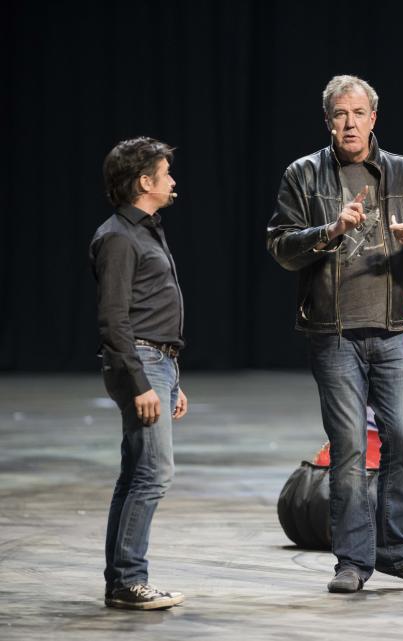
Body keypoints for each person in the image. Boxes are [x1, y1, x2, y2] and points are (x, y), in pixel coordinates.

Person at [267, 75, 403, 593]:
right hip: (335, 335)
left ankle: (397, 551)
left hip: (392, 332)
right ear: (329, 121)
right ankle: (352, 561)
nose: (349, 123)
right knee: (349, 447)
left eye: (358, 113)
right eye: (339, 115)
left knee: (402, 439)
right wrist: (332, 231)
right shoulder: (303, 175)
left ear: (374, 118)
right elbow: (281, 246)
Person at [91, 137, 189, 610]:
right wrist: (142, 383)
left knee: (135, 474)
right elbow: (114, 320)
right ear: (144, 182)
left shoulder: (146, 231)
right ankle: (130, 580)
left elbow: (149, 309)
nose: (172, 180)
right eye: (165, 173)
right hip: (141, 363)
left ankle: (121, 580)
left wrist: (172, 377)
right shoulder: (117, 236)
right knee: (153, 474)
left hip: (157, 362)